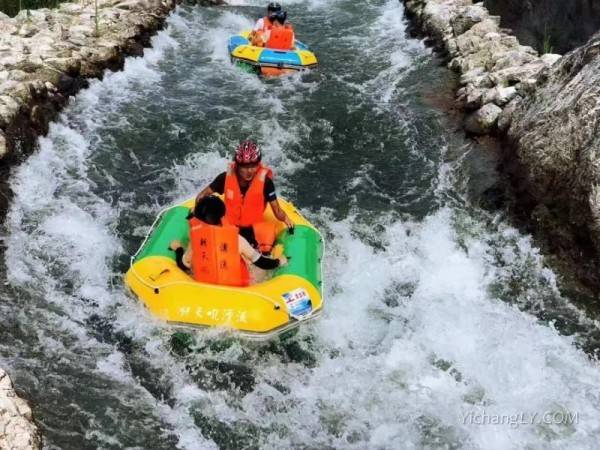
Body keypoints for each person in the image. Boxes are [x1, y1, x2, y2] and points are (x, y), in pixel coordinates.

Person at [195, 140, 294, 253]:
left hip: (252, 228)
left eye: (253, 166)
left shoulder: (266, 183)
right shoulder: (225, 178)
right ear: (237, 165)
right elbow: (203, 194)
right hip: (229, 225)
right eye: (245, 167)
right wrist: (198, 213)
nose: (250, 171)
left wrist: (286, 218)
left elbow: (276, 209)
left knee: (254, 256)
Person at [169, 196, 287, 287]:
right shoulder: (236, 239)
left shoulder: (196, 241)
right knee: (254, 262)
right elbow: (261, 262)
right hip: (237, 289)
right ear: (222, 216)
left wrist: (178, 249)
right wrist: (278, 262)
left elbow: (183, 265)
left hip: (206, 288)